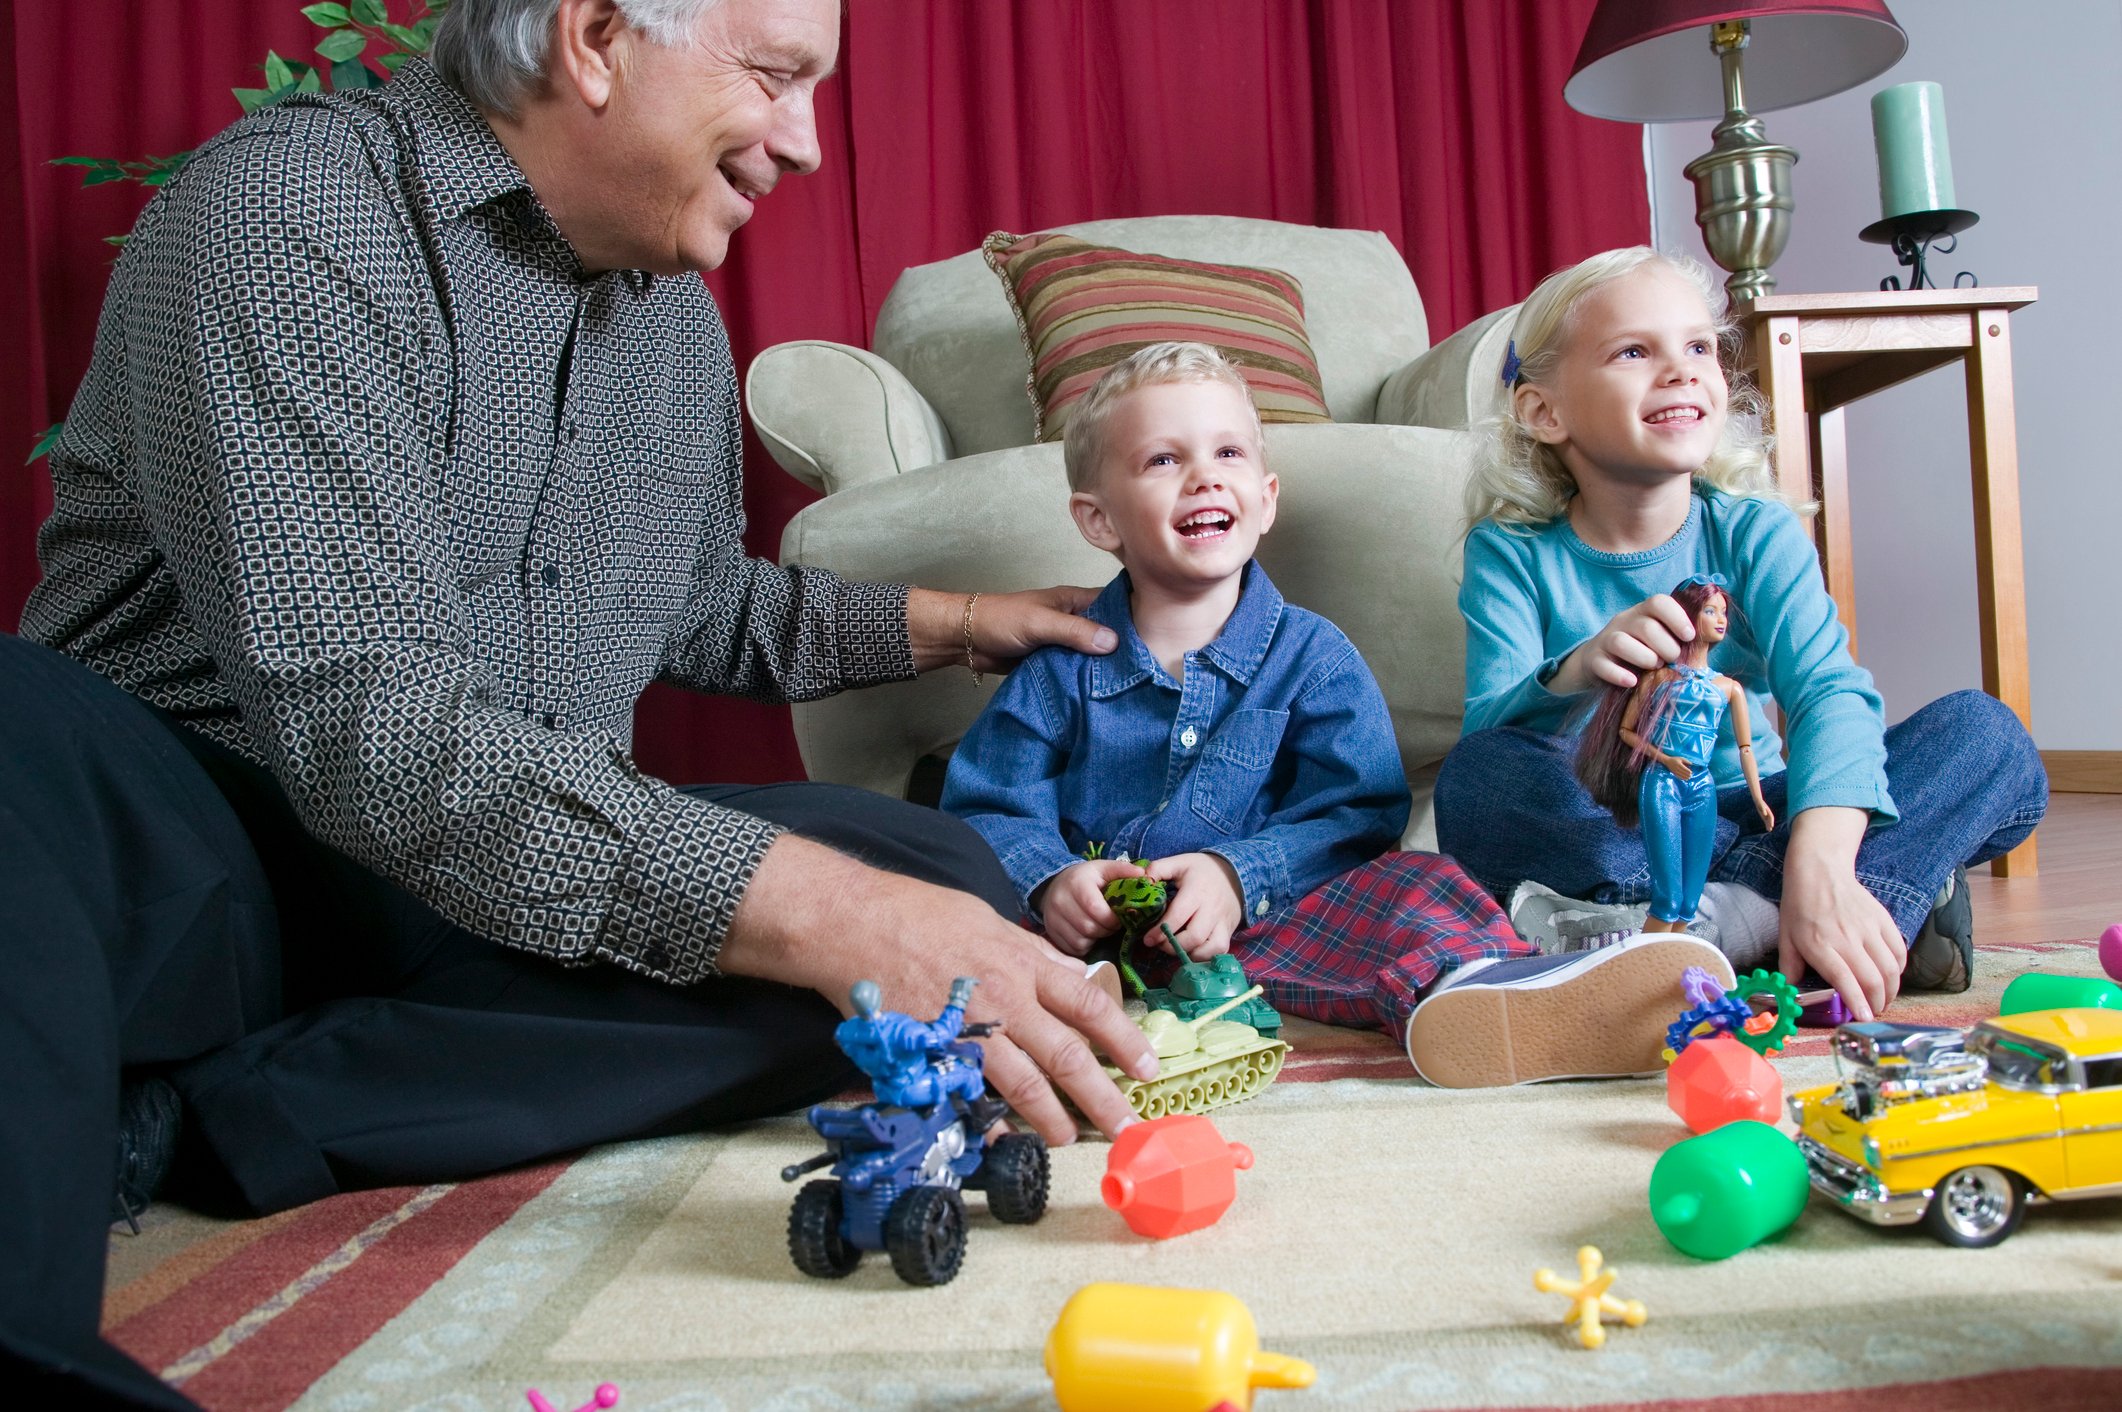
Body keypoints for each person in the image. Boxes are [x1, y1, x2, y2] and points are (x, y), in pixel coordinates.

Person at [1, 1, 1156, 1406]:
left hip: (488, 886)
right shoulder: (293, 211)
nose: (803, 144)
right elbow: (373, 725)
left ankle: (207, 1117)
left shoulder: (669, 323)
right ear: (597, 37)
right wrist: (830, 915)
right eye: (778, 79)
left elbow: (689, 604)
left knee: (937, 881)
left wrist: (969, 625)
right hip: (215, 857)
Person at [1436, 246, 2047, 1028]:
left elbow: (1828, 693)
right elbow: (1491, 734)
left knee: (1984, 735)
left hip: (1761, 814)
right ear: (1544, 411)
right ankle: (1847, 907)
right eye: (1634, 351)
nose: (1683, 370)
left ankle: (1726, 922)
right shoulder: (1511, 548)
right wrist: (1576, 670)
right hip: (1620, 829)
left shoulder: (1754, 529)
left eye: (1698, 347)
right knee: (1477, 775)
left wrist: (1821, 860)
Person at [939, 339, 1572, 1071]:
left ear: (1266, 501)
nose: (1204, 478)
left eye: (1229, 454)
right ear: (1100, 520)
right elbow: (986, 804)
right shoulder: (1058, 670)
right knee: (943, 907)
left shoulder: (1313, 655)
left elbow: (1356, 813)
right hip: (1079, 935)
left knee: (1418, 882)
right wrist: (1051, 880)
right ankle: (1068, 1000)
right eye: (1163, 461)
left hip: (1267, 925)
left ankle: (1486, 994)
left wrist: (1241, 876)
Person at [1575, 573, 1775, 931]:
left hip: (1702, 786)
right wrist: (1664, 758)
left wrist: (1758, 798)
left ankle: (1678, 959)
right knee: (1666, 894)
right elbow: (1626, 730)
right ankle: (1642, 963)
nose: (1721, 620)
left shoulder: (1729, 688)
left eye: (1723, 613)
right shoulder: (1658, 679)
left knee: (1689, 898)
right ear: (1689, 616)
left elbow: (1746, 748)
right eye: (1711, 611)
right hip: (1663, 782)